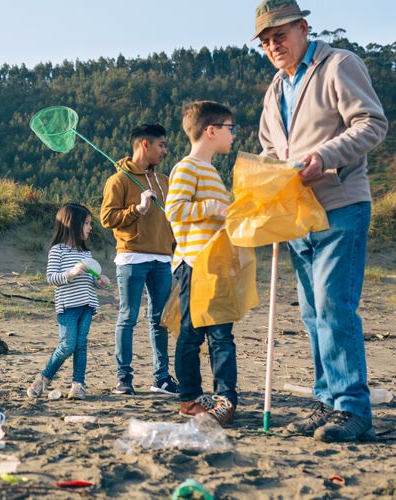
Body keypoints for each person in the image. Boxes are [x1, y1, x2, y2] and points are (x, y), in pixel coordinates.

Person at [254, 0, 388, 442]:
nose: (274, 45)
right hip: (297, 218)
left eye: (280, 35)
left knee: (334, 305)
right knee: (312, 313)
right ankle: (327, 402)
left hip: (341, 205)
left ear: (303, 28)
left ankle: (352, 408)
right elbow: (271, 152)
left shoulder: (339, 65)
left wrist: (324, 157)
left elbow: (371, 124)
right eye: (266, 40)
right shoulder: (274, 90)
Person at [166, 101, 237, 427]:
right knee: (192, 335)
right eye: (229, 128)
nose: (233, 135)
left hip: (216, 266)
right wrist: (212, 206)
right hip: (194, 264)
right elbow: (175, 210)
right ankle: (190, 400)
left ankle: (225, 400)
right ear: (211, 131)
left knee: (222, 334)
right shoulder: (187, 167)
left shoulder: (211, 171)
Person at [100, 124, 178, 396]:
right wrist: (138, 209)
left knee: (160, 320)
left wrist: (175, 249)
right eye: (161, 145)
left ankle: (162, 378)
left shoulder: (165, 181)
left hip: (163, 260)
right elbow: (107, 218)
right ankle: (124, 378)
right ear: (145, 144)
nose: (164, 151)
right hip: (132, 257)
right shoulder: (118, 180)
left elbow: (173, 220)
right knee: (128, 317)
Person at [26, 203, 110, 400]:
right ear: (72, 224)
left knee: (81, 345)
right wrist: (71, 273)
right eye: (87, 223)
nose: (90, 228)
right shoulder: (58, 251)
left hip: (87, 305)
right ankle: (43, 379)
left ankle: (78, 385)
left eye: (90, 223)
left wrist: (99, 281)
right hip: (68, 307)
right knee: (67, 345)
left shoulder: (85, 253)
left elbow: (90, 279)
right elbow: (51, 278)